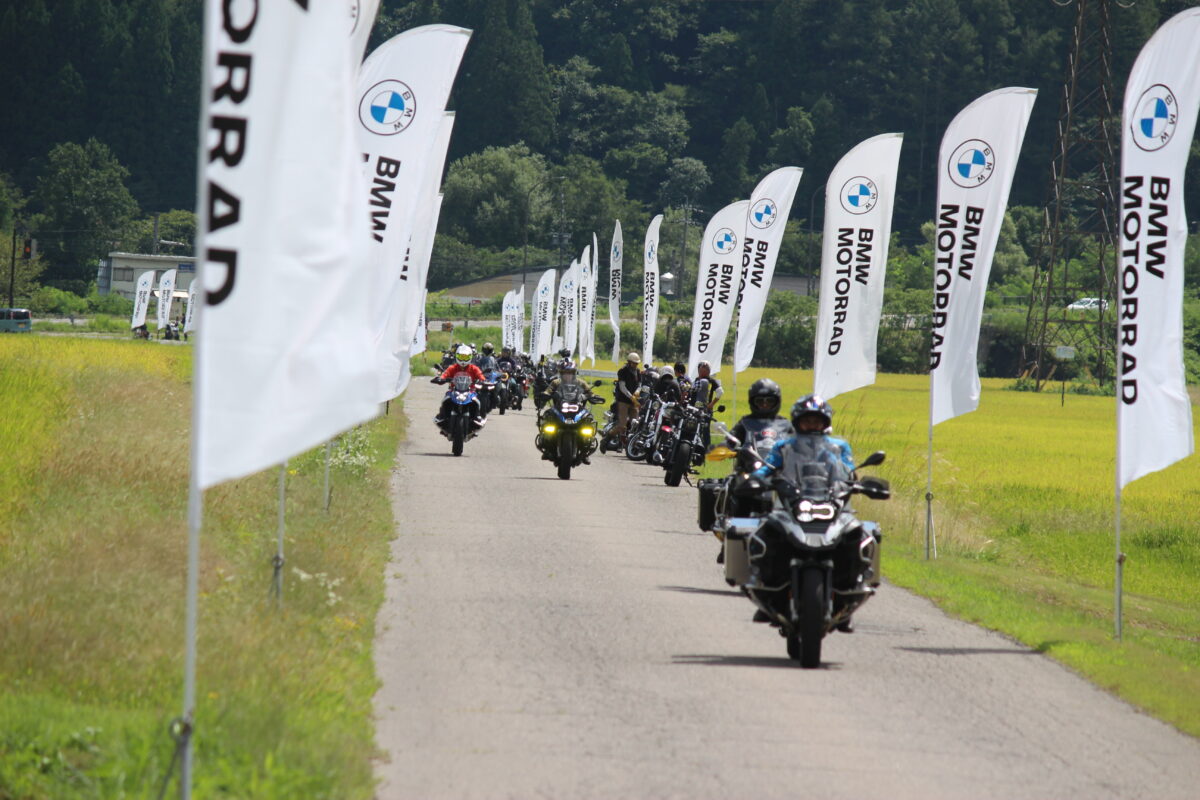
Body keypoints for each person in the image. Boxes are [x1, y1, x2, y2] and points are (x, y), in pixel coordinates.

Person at [433, 345, 486, 424]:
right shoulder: (452, 367)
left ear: (470, 357)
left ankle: (476, 416)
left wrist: (482, 381)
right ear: (457, 356)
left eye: (465, 357)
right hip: (454, 390)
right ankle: (442, 415)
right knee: (446, 400)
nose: (463, 360)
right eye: (461, 357)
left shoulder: (474, 368)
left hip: (470, 391)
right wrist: (441, 379)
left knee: (476, 401)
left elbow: (481, 376)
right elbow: (445, 374)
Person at [613, 352, 641, 443]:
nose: (635, 365)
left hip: (633, 401)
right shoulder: (623, 371)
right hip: (623, 400)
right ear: (629, 362)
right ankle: (607, 438)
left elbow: (639, 384)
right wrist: (630, 396)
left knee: (635, 423)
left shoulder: (638, 371)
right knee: (622, 425)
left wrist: (637, 392)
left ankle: (629, 442)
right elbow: (622, 387)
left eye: (637, 363)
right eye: (634, 363)